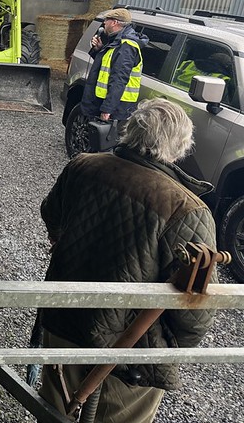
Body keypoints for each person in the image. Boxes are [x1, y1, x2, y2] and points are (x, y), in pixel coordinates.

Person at [38, 98, 217, 423]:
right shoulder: (186, 209)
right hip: (128, 355)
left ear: (131, 129)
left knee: (51, 413)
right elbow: (196, 315)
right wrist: (168, 343)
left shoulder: (82, 166)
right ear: (180, 147)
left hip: (62, 322)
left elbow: (52, 217)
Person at [81, 7, 148, 122]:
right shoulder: (116, 41)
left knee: (107, 139)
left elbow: (118, 80)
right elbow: (108, 66)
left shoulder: (126, 46)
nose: (104, 23)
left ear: (114, 22)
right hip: (108, 103)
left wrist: (107, 110)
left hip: (117, 108)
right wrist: (99, 50)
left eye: (106, 20)